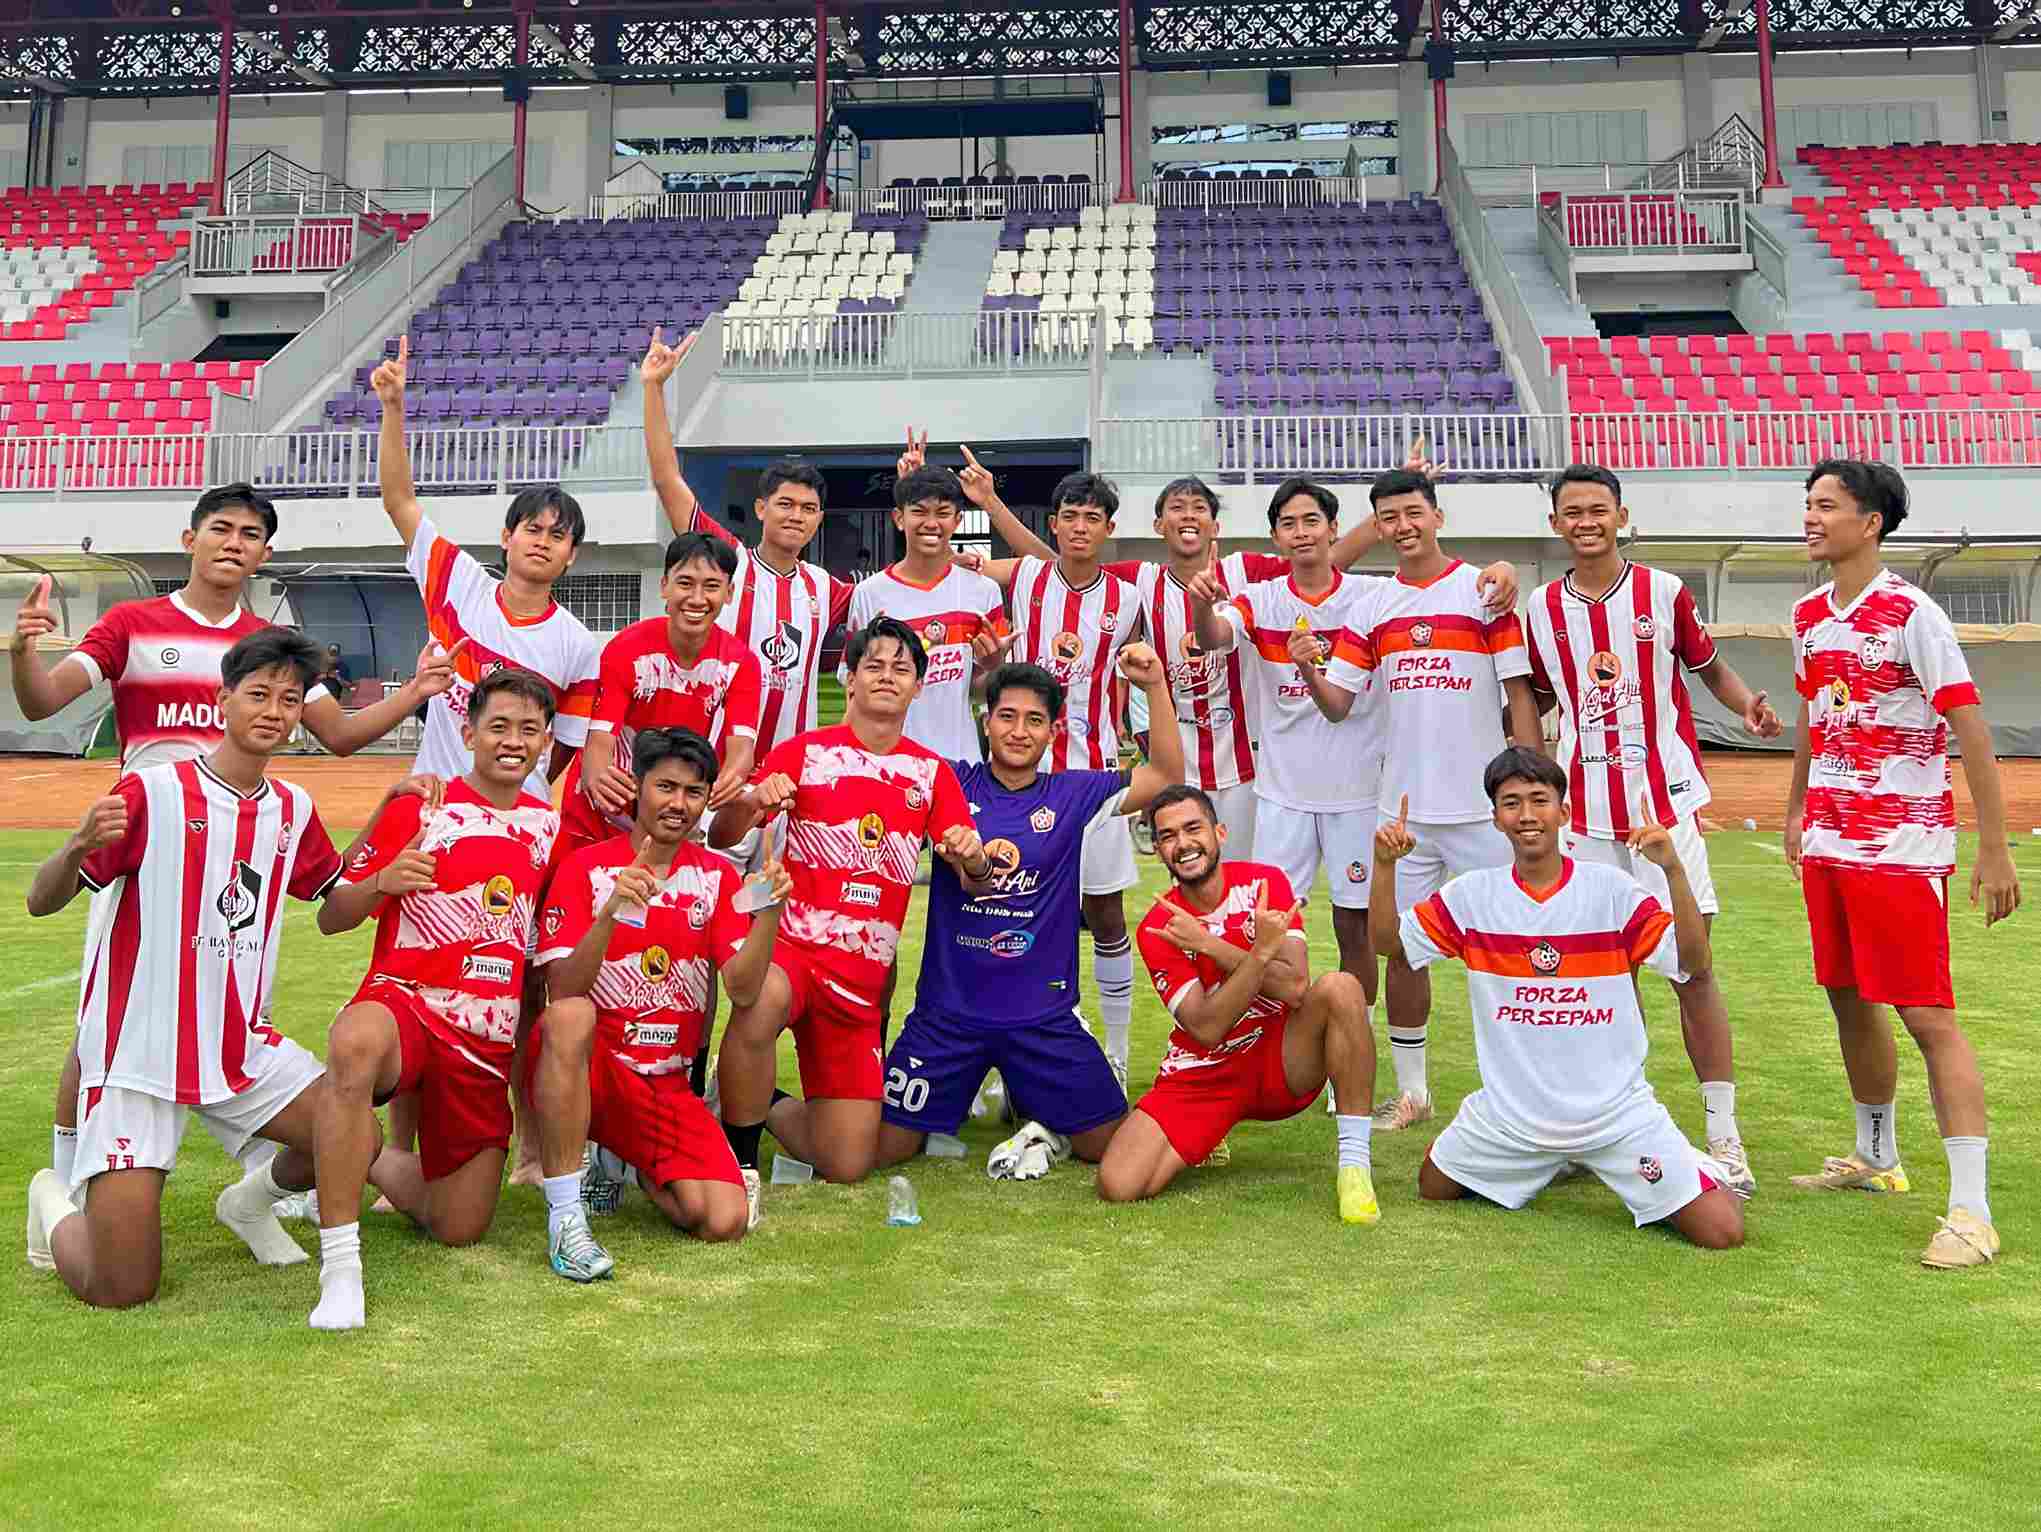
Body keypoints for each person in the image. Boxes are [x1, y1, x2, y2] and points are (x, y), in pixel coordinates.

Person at [10, 482, 458, 1207]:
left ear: (265, 554)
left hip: (238, 852)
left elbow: (339, 736)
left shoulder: (270, 652)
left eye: (251, 535)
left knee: (231, 1013)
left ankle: (263, 1179)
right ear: (190, 539)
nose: (233, 543)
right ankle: (67, 1183)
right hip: (145, 852)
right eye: (221, 528)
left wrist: (417, 691)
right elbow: (42, 700)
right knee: (106, 1023)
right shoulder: (132, 624)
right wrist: (23, 650)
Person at [956, 442, 1520, 861]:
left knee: (1245, 880)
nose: (1187, 517)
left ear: (1214, 524)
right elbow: (1060, 565)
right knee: (1189, 875)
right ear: (1158, 524)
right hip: (1179, 759)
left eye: (1198, 508)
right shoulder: (1141, 580)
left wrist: (1387, 514)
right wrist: (992, 505)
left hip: (1246, 761)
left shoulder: (1245, 572)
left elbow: (1323, 557)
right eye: (1176, 509)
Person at [22, 629, 365, 1306]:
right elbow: (40, 900)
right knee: (121, 1287)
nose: (273, 711)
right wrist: (77, 846)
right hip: (139, 1055)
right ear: (223, 698)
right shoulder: (152, 792)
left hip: (239, 1047)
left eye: (289, 700)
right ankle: (51, 1198)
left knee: (355, 1137)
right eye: (259, 694)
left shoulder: (293, 810)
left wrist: (387, 868)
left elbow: (336, 902)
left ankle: (248, 1202)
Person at [372, 334, 603, 1185]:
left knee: (520, 987)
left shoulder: (578, 645)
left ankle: (532, 1149)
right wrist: (393, 406)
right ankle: (401, 1153)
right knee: (411, 978)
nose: (543, 541)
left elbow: (566, 753)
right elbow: (399, 499)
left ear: (572, 556)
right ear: (507, 537)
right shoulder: (456, 584)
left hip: (523, 835)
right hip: (436, 820)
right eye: (532, 527)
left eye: (559, 535)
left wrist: (530, 811)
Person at [1783, 459, 2020, 1269]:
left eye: (1825, 505)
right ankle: (1875, 1156)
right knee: (1846, 996)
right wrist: (1795, 810)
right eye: (1807, 504)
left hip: (1900, 851)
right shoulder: (1808, 614)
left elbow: (1971, 730)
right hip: (1830, 843)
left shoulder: (1913, 614)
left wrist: (1992, 846)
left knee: (1926, 1018)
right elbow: (1813, 718)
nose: (1810, 517)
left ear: (1870, 522)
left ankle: (1972, 1213)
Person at [1521, 463, 1783, 1198]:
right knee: (1605, 980)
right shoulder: (1541, 608)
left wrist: (1746, 707)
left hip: (1664, 812)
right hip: (1583, 818)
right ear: (1555, 524)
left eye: (1597, 509)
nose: (1586, 522)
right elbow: (1532, 696)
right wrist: (1530, 778)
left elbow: (1709, 667)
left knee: (1692, 971)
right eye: (1572, 512)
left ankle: (1724, 1137)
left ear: (1620, 516)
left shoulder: (1663, 592)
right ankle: (1608, 1126)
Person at [1369, 748, 1746, 1251]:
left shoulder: (1611, 890)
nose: (1527, 814)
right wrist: (1384, 866)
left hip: (1614, 1117)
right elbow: (1389, 945)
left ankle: (1693, 1166)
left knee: (1721, 1231)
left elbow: (1694, 962)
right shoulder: (1472, 895)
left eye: (1539, 800)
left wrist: (1673, 869)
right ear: (1495, 818)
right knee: (1433, 1186)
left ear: (1564, 812)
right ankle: (1549, 1160)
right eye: (1511, 803)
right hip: (1511, 1119)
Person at [309, 666, 563, 1331]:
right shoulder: (421, 806)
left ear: (546, 742)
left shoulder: (550, 830)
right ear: (468, 733)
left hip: (482, 1042)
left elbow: (541, 957)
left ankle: (362, 1155)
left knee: (459, 1226)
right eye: (498, 726)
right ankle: (340, 1267)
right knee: (354, 1042)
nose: (512, 741)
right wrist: (383, 881)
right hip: (408, 1004)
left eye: (529, 730)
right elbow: (332, 915)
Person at [707, 617, 990, 1208]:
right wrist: (754, 799)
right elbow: (722, 836)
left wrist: (975, 859)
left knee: (846, 1164)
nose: (887, 677)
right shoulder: (805, 751)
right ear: (851, 679)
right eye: (874, 666)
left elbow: (973, 878)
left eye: (901, 669)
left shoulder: (932, 773)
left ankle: (742, 1097)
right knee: (760, 999)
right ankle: (739, 1163)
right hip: (792, 953)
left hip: (859, 985)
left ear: (919, 686)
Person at [876, 649, 1186, 1178]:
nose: (1019, 732)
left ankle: (1042, 1126)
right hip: (947, 1018)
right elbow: (879, 758)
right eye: (1007, 716)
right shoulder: (947, 782)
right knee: (882, 1148)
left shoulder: (1073, 793)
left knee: (1110, 1146)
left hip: (1043, 1020)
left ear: (1052, 732)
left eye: (1034, 720)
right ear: (986, 722)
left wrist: (1155, 684)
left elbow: (1165, 775)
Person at [1305, 468, 1542, 1132]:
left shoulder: (1483, 591)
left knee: (1513, 948)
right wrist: (1305, 667)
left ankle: (1523, 1093)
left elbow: (1518, 693)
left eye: (1413, 512)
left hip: (1482, 812)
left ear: (1437, 516)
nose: (1402, 526)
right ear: (1378, 527)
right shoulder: (1372, 606)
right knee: (1404, 951)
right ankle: (1413, 1094)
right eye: (1389, 517)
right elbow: (1338, 705)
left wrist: (1535, 789)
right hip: (1403, 814)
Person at [529, 729, 792, 1277]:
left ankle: (622, 1162)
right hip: (594, 1071)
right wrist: (609, 914)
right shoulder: (585, 868)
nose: (678, 804)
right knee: (571, 1017)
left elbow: (743, 990)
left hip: (665, 1083)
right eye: (665, 787)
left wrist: (767, 913)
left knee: (724, 1220)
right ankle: (566, 1218)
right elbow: (563, 992)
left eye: (694, 792)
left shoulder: (717, 876)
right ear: (638, 788)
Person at [1100, 786, 1380, 1225]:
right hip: (1205, 1072)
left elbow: (1295, 987)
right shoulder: (1159, 925)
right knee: (1119, 1185)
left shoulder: (1264, 883)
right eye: (1168, 836)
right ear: (1157, 850)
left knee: (1342, 988)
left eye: (1193, 828)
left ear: (1220, 833)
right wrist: (1258, 954)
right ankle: (1208, 1136)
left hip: (1282, 1057)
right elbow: (1205, 1028)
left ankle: (1355, 1167)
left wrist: (1211, 945)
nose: (1183, 843)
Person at [945, 469, 1143, 1077]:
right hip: (1023, 779)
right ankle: (1013, 1049)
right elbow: (967, 562)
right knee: (1015, 910)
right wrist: (984, 508)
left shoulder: (1129, 599)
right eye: (1070, 517)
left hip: (1094, 779)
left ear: (1109, 529)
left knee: (1105, 913)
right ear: (1053, 524)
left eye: (1093, 519)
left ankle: (1117, 1051)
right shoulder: (1027, 576)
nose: (1080, 528)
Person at [1186, 478, 1388, 999]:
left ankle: (1356, 1034)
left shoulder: (1373, 596)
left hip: (1357, 793)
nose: (1301, 533)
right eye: (1288, 524)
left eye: (1311, 521)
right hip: (1282, 795)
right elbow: (1214, 637)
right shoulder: (1260, 600)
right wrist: (1201, 605)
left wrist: (1501, 572)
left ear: (1333, 528)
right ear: (1276, 537)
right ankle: (1279, 1040)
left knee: (1354, 925)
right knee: (1272, 926)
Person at [643, 329, 855, 763]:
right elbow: (667, 480)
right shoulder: (728, 562)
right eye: (785, 504)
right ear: (761, 508)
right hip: (712, 766)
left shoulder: (825, 588)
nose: (796, 516)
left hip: (787, 772)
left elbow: (900, 586)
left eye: (808, 508)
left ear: (819, 519)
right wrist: (653, 389)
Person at [556, 532, 762, 862]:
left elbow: (742, 750)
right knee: (579, 884)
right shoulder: (626, 648)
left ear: (729, 593)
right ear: (664, 585)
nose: (697, 598)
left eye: (711, 586)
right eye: (685, 583)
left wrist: (730, 779)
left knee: (668, 890)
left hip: (668, 804)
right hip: (611, 797)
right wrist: (596, 775)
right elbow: (599, 742)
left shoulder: (741, 663)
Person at [844, 463, 1008, 762]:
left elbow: (980, 693)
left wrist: (992, 666)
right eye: (919, 512)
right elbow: (854, 688)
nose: (931, 523)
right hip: (889, 762)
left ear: (957, 520)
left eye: (942, 513)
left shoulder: (984, 592)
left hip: (960, 762)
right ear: (899, 518)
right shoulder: (869, 593)